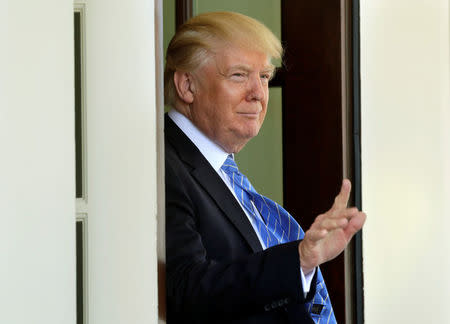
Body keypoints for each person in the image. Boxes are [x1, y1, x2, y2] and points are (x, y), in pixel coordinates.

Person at [164, 11, 366, 324]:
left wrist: (302, 267)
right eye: (239, 75)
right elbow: (184, 292)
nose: (259, 94)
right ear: (187, 85)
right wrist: (296, 261)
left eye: (264, 76)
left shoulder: (221, 171)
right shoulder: (161, 165)